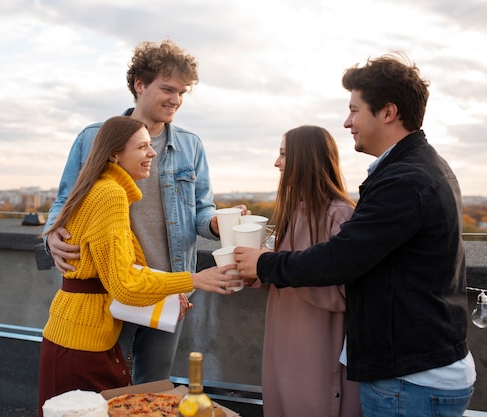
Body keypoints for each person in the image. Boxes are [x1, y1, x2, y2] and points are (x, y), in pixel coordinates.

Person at [235, 53, 476, 417]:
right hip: (414, 370)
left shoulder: (405, 180)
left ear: (388, 112)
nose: (347, 122)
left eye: (354, 109)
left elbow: (340, 258)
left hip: (410, 378)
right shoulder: (416, 168)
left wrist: (265, 264)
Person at [43, 39, 249, 385]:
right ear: (139, 84)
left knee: (151, 389)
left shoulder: (191, 145)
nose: (176, 99)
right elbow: (66, 201)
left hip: (169, 289)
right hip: (111, 289)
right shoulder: (94, 137)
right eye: (168, 89)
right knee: (106, 391)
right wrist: (51, 234)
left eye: (182, 92)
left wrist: (215, 223)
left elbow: (201, 212)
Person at [37, 116, 237, 416]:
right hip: (83, 345)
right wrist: (195, 279)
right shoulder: (111, 195)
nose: (152, 153)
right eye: (143, 147)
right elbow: (125, 285)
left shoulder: (101, 187)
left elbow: (120, 272)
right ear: (114, 154)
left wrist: (170, 295)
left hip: (77, 335)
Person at [256, 125, 361, 417]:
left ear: (306, 158)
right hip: (282, 345)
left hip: (318, 352)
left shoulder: (339, 214)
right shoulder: (292, 210)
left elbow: (346, 295)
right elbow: (279, 276)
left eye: (284, 154)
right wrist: (253, 270)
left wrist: (277, 269)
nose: (277, 163)